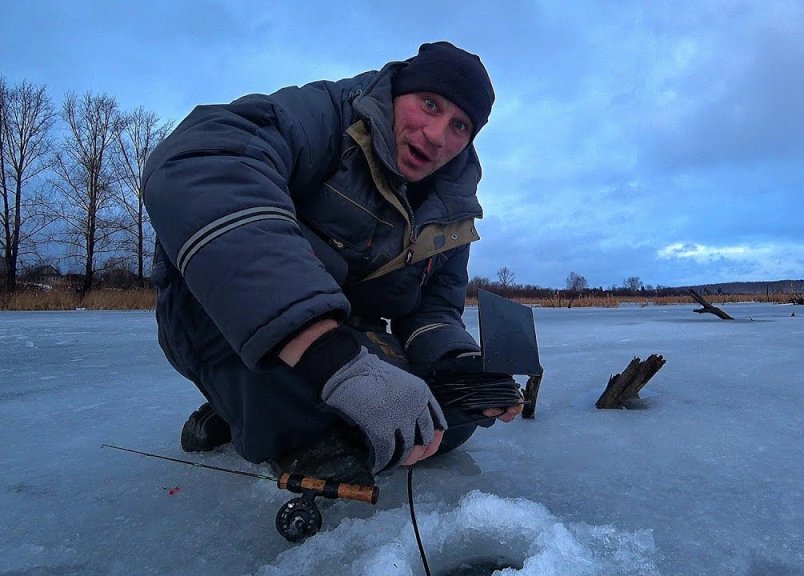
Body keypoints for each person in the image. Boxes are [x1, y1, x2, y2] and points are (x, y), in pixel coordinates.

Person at [143, 41, 523, 482]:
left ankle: (276, 406)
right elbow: (196, 162)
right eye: (430, 104)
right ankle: (242, 408)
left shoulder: (452, 208)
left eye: (460, 126)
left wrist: (461, 367)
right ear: (399, 91)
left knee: (444, 422)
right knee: (304, 427)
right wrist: (332, 360)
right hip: (221, 314)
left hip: (345, 332)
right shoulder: (330, 115)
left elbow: (433, 310)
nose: (438, 136)